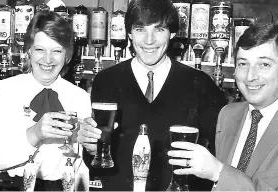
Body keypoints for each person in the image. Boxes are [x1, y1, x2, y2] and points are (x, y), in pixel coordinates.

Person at [77, 0, 227, 191]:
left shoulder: (201, 84)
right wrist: (91, 148)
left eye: (159, 30)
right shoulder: (106, 81)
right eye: (140, 29)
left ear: (172, 33)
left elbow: (216, 157)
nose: (149, 40)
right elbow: (99, 163)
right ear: (129, 33)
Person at [167, 24, 278, 191]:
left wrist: (219, 173)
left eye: (264, 65)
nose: (250, 76)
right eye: (243, 64)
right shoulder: (228, 114)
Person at [0, 11, 91, 191]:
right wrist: (35, 133)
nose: (48, 60)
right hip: (13, 186)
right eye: (40, 49)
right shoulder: (6, 89)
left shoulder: (80, 97)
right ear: (28, 50)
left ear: (67, 55)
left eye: (56, 51)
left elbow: (79, 165)